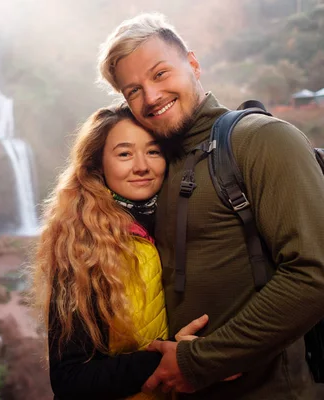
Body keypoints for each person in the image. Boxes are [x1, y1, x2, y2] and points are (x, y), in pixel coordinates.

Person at [97, 12, 324, 399]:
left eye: (160, 73)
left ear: (194, 63)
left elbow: (314, 274)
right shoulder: (159, 166)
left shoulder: (262, 140)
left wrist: (200, 361)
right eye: (132, 90)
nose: (151, 97)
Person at [31, 104, 207, 399]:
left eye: (153, 151)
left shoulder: (182, 223)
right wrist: (169, 359)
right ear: (98, 165)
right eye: (124, 154)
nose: (141, 166)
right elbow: (70, 378)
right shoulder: (82, 246)